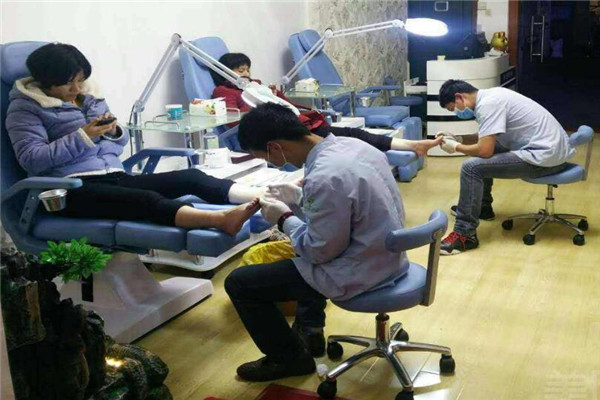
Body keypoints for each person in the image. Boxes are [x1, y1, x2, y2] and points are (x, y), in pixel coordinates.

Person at [224, 103, 410, 381]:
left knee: (240, 283)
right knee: (293, 262)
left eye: (264, 157)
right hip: (388, 255)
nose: (272, 163)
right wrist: (299, 199)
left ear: (274, 147)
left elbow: (318, 251)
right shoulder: (355, 147)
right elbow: (344, 211)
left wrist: (283, 217)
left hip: (360, 269)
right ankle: (309, 330)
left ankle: (289, 360)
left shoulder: (325, 175)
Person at [6, 43, 264, 235]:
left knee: (191, 177)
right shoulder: (25, 108)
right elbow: (32, 160)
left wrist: (113, 132)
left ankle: (264, 198)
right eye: (68, 84)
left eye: (81, 81)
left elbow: (119, 145)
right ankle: (222, 220)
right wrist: (84, 135)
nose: (77, 89)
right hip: (70, 189)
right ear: (46, 82)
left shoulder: (89, 98)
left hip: (113, 175)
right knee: (145, 200)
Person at [436, 79, 574, 255]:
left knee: (471, 168)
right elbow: (486, 136)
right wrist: (459, 138)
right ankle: (482, 208)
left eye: (453, 108)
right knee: (484, 156)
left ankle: (465, 235)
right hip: (551, 151)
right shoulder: (492, 96)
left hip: (545, 159)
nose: (457, 113)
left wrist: (455, 147)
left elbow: (484, 150)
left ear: (459, 97)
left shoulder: (488, 105)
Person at [211, 52, 442, 156]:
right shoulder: (223, 91)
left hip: (295, 123)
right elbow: (235, 117)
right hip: (282, 131)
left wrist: (273, 93)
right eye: (240, 70)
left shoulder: (257, 85)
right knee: (350, 137)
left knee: (351, 135)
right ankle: (411, 146)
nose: (246, 74)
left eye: (247, 69)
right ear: (225, 73)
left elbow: (286, 104)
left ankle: (411, 145)